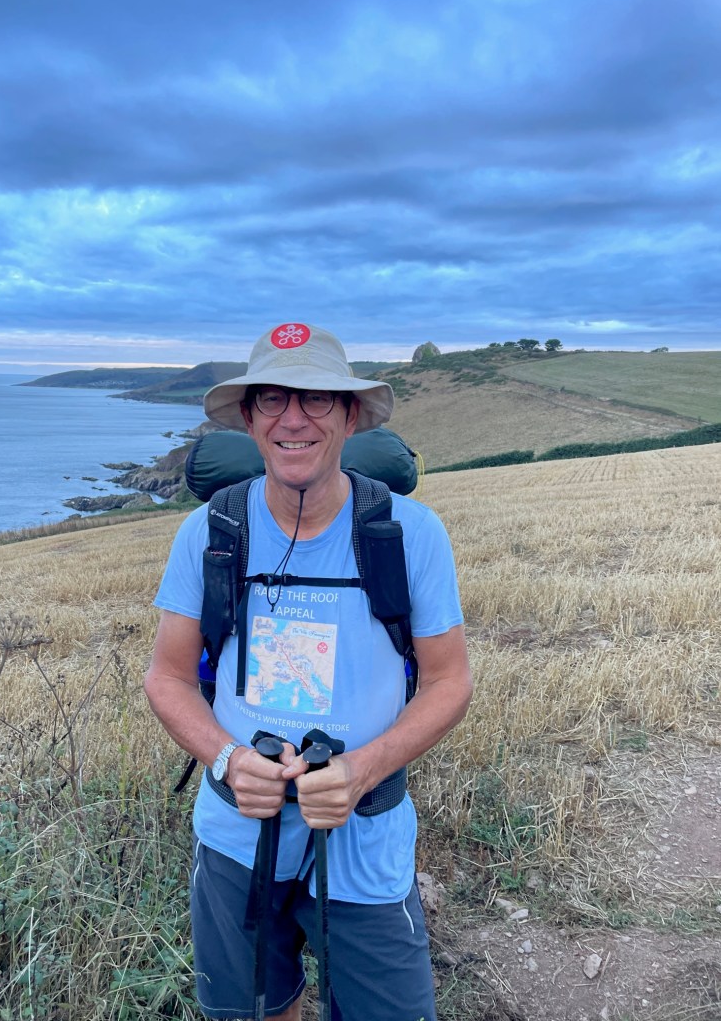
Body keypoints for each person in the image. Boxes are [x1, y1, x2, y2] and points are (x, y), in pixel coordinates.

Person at [144, 322, 472, 1021]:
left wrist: (362, 769)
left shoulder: (411, 534)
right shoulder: (208, 534)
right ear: (250, 419)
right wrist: (229, 759)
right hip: (236, 836)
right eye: (272, 399)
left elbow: (449, 682)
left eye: (317, 398)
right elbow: (168, 679)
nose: (293, 419)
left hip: (365, 839)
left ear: (350, 416)